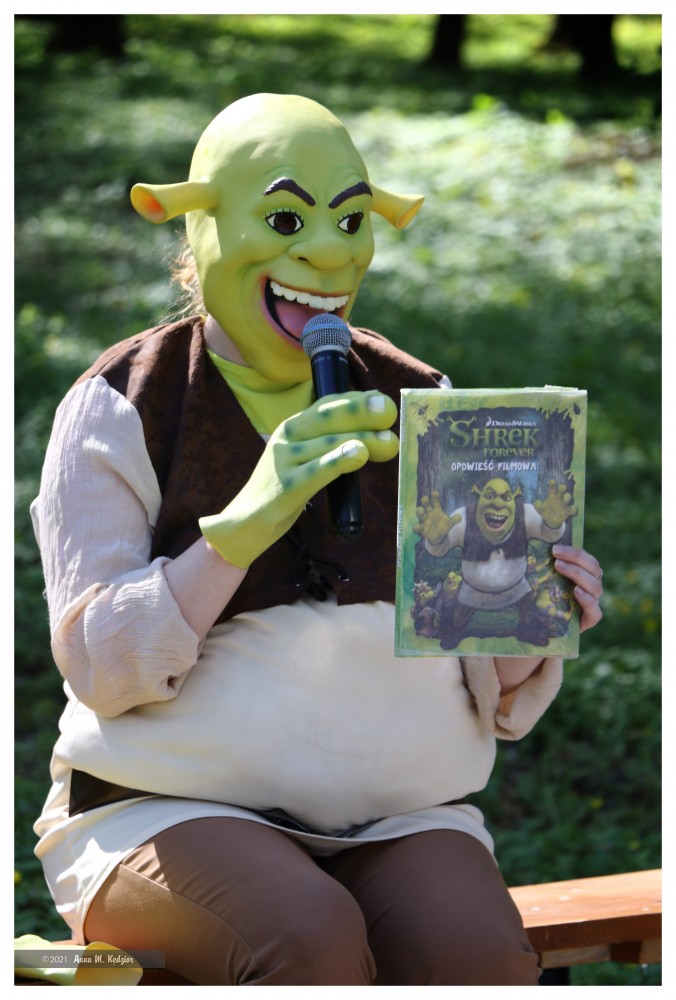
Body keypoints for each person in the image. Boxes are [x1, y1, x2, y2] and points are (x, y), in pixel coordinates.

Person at [30, 93, 604, 986]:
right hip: (163, 808)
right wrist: (242, 528)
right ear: (204, 224)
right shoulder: (123, 402)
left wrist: (534, 615)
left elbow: (485, 676)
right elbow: (100, 667)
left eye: (351, 220)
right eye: (287, 220)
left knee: (478, 958)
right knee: (305, 941)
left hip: (403, 818)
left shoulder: (425, 398)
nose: (330, 254)